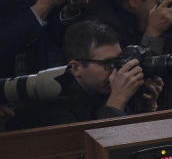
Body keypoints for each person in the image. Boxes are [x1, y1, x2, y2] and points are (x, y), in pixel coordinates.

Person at [6, 21, 163, 129]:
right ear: (76, 68)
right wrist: (118, 100)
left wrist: (146, 108)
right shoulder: (56, 105)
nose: (116, 70)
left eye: (119, 61)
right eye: (107, 64)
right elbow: (89, 153)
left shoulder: (108, 88)